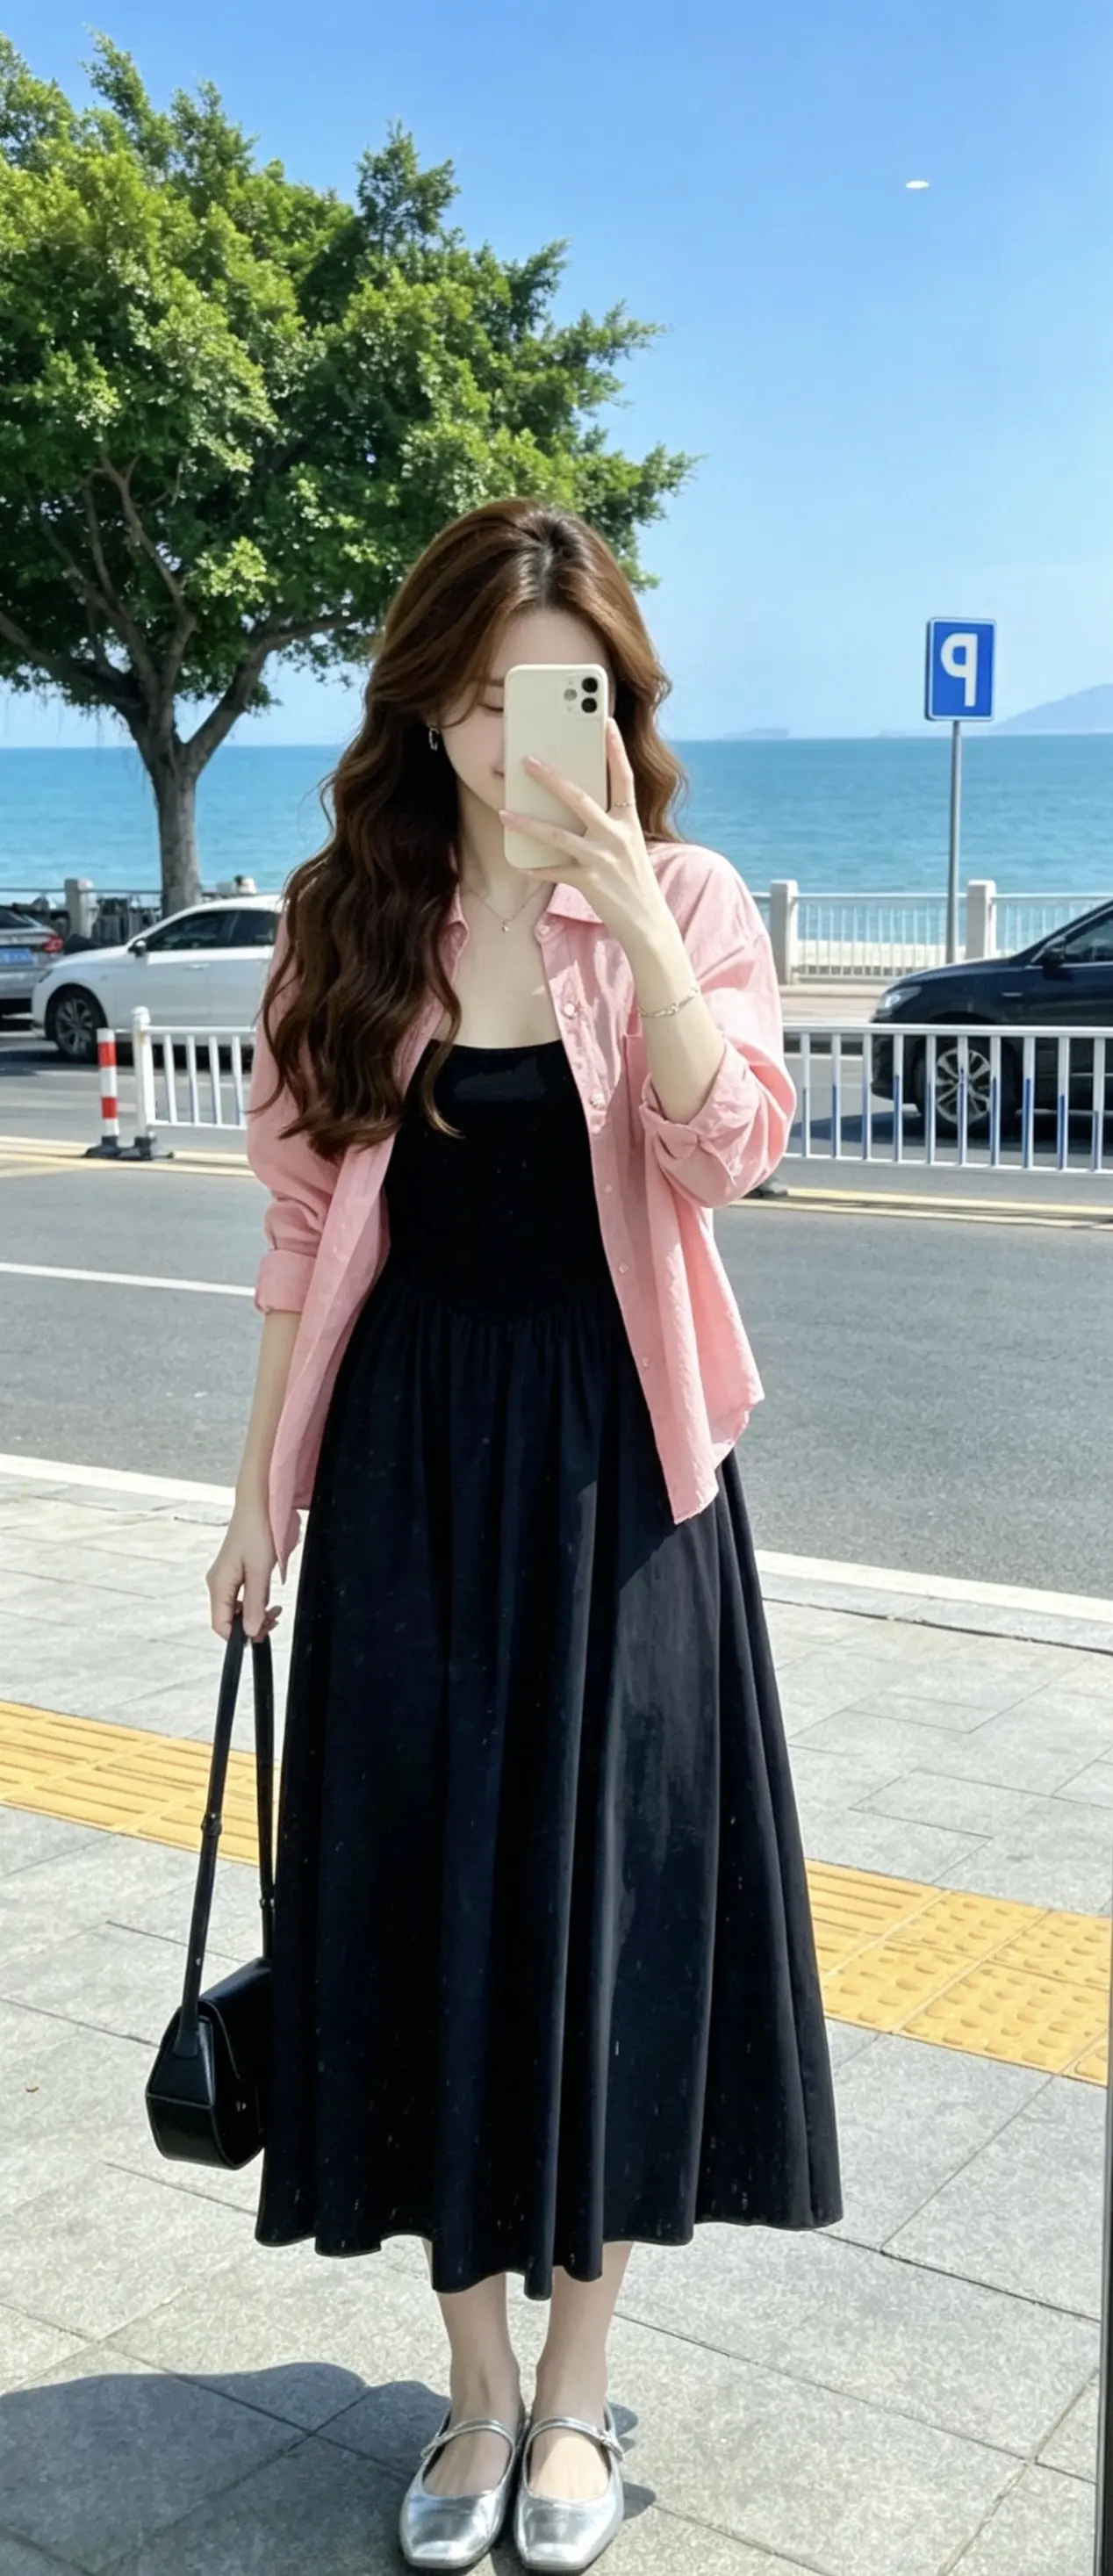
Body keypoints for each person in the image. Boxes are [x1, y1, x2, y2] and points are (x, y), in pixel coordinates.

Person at [206, 496, 842, 2574]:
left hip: (622, 1478)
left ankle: (575, 2392)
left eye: (552, 697)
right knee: (412, 1905)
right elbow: (301, 1222)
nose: (510, 739)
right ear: (422, 702)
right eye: (479, 697)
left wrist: (636, 929)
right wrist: (256, 1498)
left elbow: (729, 1154)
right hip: (405, 1471)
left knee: (602, 1920)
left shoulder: (690, 892)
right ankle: (471, 2388)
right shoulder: (350, 915)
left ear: (615, 704)